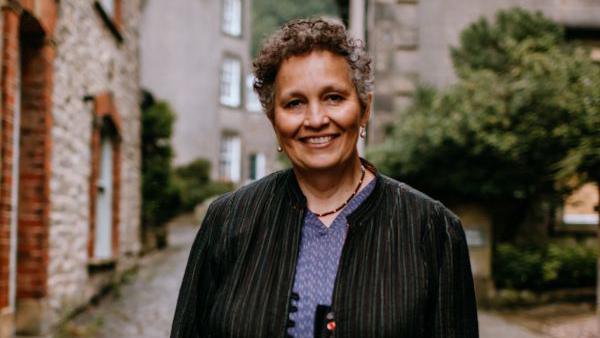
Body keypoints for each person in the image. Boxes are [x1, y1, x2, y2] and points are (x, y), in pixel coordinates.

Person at [171, 18, 478, 338]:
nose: (316, 119)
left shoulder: (432, 230)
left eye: (333, 97)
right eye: (294, 103)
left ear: (364, 108)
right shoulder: (228, 221)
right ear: (274, 119)